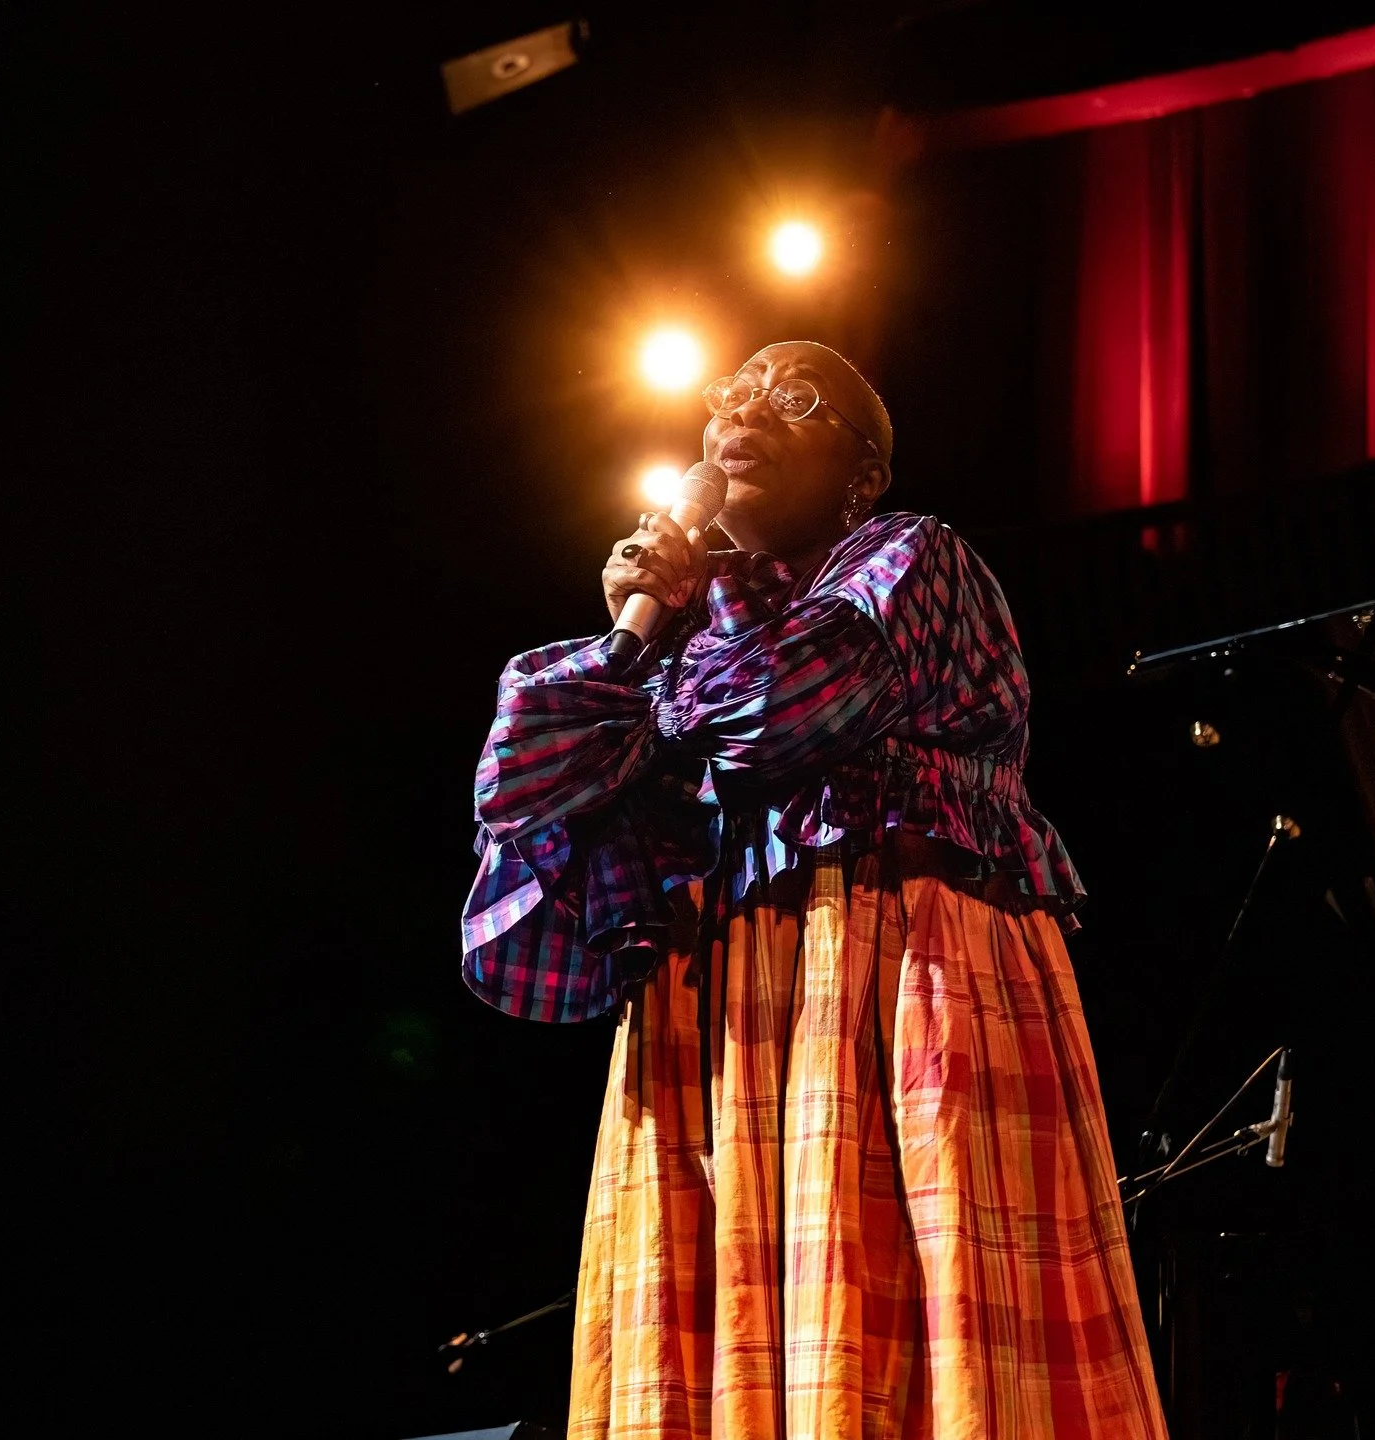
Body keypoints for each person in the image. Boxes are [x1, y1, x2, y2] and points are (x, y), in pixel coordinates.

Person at [462, 341, 1168, 1438]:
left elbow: (787, 708)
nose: (742, 414)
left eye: (792, 401)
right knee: (731, 1341)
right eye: (730, 398)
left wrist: (663, 668)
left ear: (862, 475)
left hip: (888, 950)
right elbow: (528, 805)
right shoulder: (685, 634)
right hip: (716, 1005)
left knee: (899, 1307)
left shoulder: (911, 556)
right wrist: (630, 645)